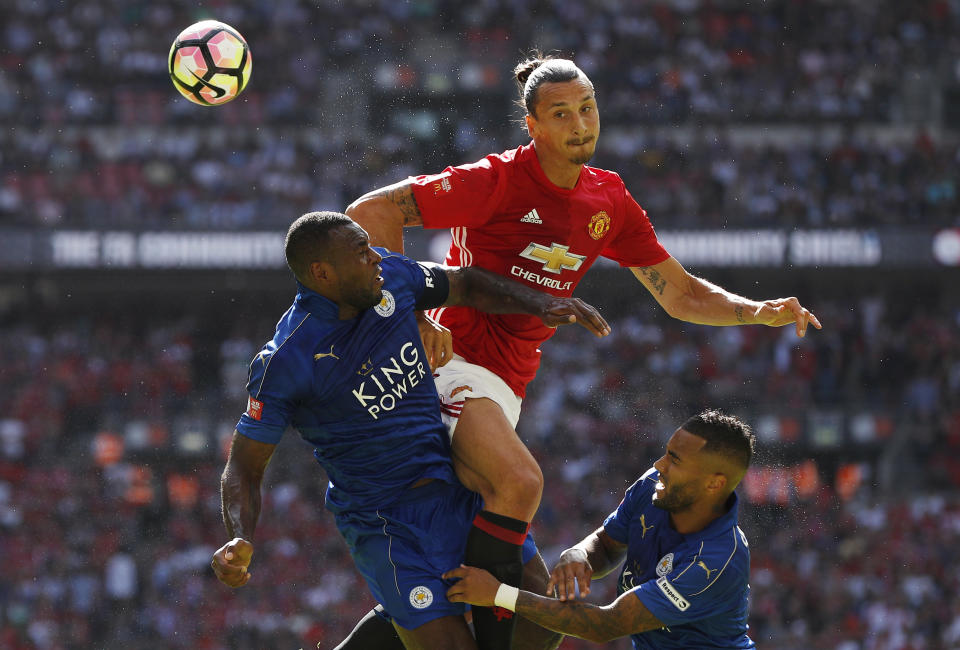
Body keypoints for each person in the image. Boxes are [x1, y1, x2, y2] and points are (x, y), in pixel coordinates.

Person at [345, 53, 819, 646]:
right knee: (520, 484)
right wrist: (409, 316)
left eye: (588, 109)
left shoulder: (607, 199)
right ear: (534, 125)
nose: (580, 125)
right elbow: (372, 210)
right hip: (451, 368)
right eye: (562, 114)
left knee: (538, 613)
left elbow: (676, 291)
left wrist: (755, 310)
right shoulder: (497, 180)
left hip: (503, 388)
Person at [209, 211, 610, 650]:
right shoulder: (285, 361)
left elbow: (467, 284)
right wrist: (240, 536)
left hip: (456, 489)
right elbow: (244, 468)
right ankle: (404, 609)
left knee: (544, 616)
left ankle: (398, 615)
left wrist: (539, 304)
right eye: (361, 253)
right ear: (322, 272)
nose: (376, 258)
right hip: (390, 523)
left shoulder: (392, 280)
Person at [444, 409, 757, 649]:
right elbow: (607, 546)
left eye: (675, 460)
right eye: (666, 453)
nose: (659, 465)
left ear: (714, 484)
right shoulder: (653, 488)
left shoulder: (716, 562)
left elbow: (607, 625)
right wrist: (579, 554)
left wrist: (497, 594)